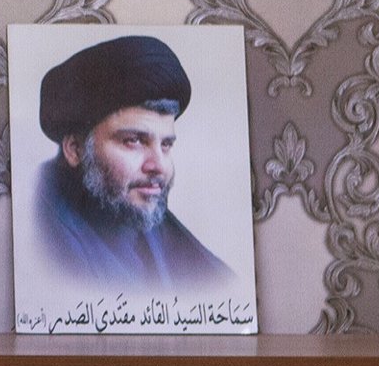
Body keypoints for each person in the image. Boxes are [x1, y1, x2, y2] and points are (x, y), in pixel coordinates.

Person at [27, 34, 233, 292]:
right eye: (134, 141)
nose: (158, 165)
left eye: (166, 145)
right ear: (75, 149)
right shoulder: (41, 242)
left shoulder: (154, 227)